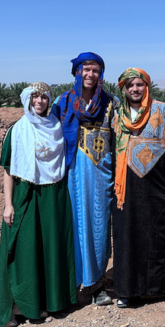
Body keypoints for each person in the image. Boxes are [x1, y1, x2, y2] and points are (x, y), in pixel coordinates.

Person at [0, 82, 76, 327]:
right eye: (35, 97)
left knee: (51, 248)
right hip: (26, 193)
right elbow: (8, 170)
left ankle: (53, 303)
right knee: (24, 249)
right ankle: (21, 306)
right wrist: (8, 205)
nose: (39, 102)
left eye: (44, 98)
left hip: (54, 193)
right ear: (28, 100)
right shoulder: (17, 130)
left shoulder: (57, 127)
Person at [110, 68, 165, 307]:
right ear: (123, 89)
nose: (135, 89)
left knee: (160, 236)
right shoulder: (116, 116)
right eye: (130, 85)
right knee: (128, 237)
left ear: (147, 87)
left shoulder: (164, 112)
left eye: (140, 85)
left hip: (158, 188)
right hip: (126, 190)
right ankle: (127, 291)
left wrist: (163, 169)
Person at [54, 52, 120, 305]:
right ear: (77, 72)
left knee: (98, 226)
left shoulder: (111, 103)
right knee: (72, 225)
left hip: (101, 175)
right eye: (86, 69)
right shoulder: (64, 102)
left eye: (95, 70)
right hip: (71, 174)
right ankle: (70, 284)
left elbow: (123, 137)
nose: (90, 74)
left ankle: (95, 284)